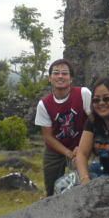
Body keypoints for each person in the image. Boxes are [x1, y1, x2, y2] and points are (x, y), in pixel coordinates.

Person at [35, 59, 91, 196]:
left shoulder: (83, 94)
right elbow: (47, 136)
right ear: (50, 78)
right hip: (56, 148)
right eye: (56, 73)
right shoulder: (44, 104)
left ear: (71, 78)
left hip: (82, 143)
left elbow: (94, 122)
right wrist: (68, 153)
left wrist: (83, 148)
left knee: (87, 182)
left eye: (65, 73)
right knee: (51, 188)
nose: (60, 76)